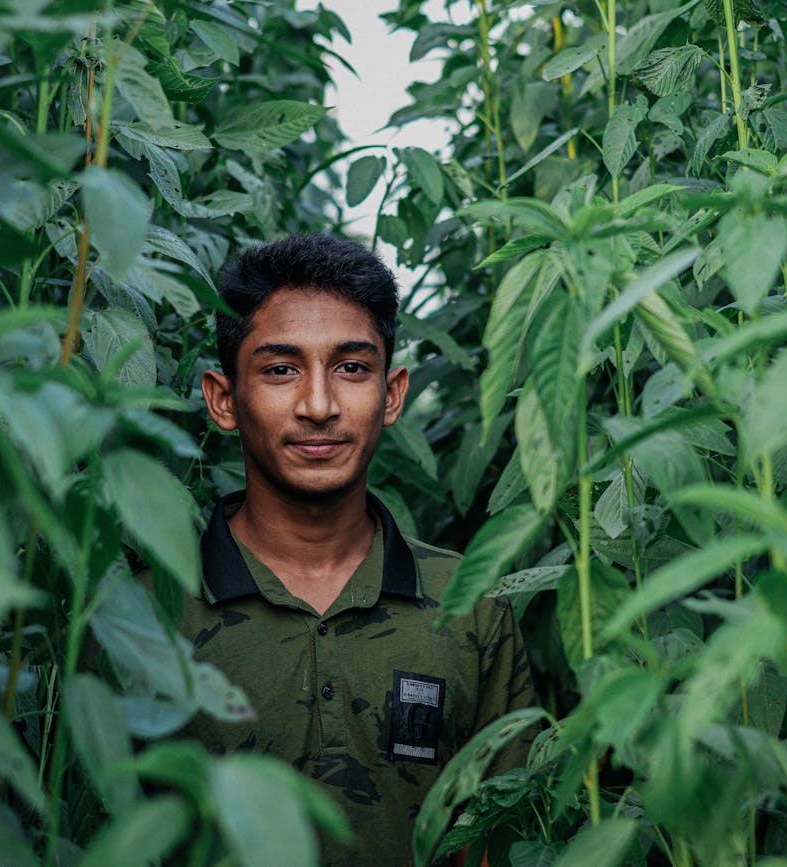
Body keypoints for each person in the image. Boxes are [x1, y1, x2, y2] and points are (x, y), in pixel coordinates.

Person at [181, 233, 533, 865]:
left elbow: (496, 840)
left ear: (392, 394)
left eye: (351, 367)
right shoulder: (152, 611)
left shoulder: (470, 605)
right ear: (224, 398)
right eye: (281, 369)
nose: (319, 406)